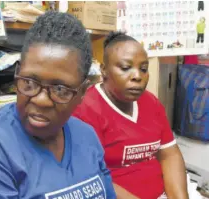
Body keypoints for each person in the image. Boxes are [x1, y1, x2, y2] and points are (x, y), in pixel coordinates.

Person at [0, 12, 116, 199]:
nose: (41, 100)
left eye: (60, 89)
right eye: (29, 83)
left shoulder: (86, 136)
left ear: (82, 92)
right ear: (17, 76)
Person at [73, 32, 189, 199]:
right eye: (126, 68)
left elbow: (169, 154)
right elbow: (91, 177)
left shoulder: (152, 103)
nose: (137, 76)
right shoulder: (85, 109)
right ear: (104, 70)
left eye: (143, 69)